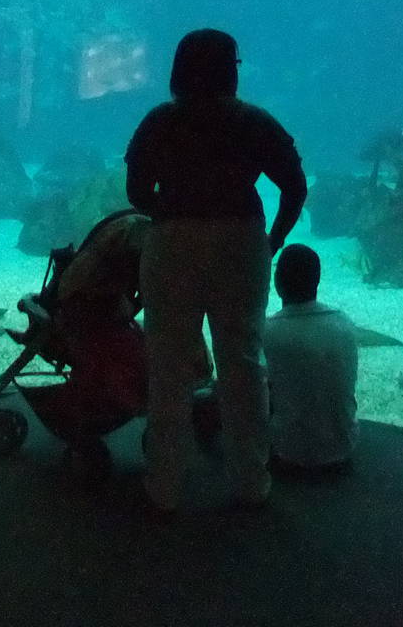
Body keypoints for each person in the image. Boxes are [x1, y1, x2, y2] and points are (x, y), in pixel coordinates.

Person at [125, 28, 307, 516]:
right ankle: (252, 480)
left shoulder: (159, 121)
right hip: (241, 241)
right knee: (242, 361)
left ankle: (163, 483)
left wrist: (171, 209)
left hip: (171, 241)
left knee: (168, 365)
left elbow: (137, 192)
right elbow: (294, 186)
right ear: (231, 69)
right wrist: (274, 239)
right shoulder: (254, 122)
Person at [264, 243, 358, 478]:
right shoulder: (344, 324)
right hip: (343, 447)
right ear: (317, 280)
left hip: (287, 452)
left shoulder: (268, 331)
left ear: (277, 283)